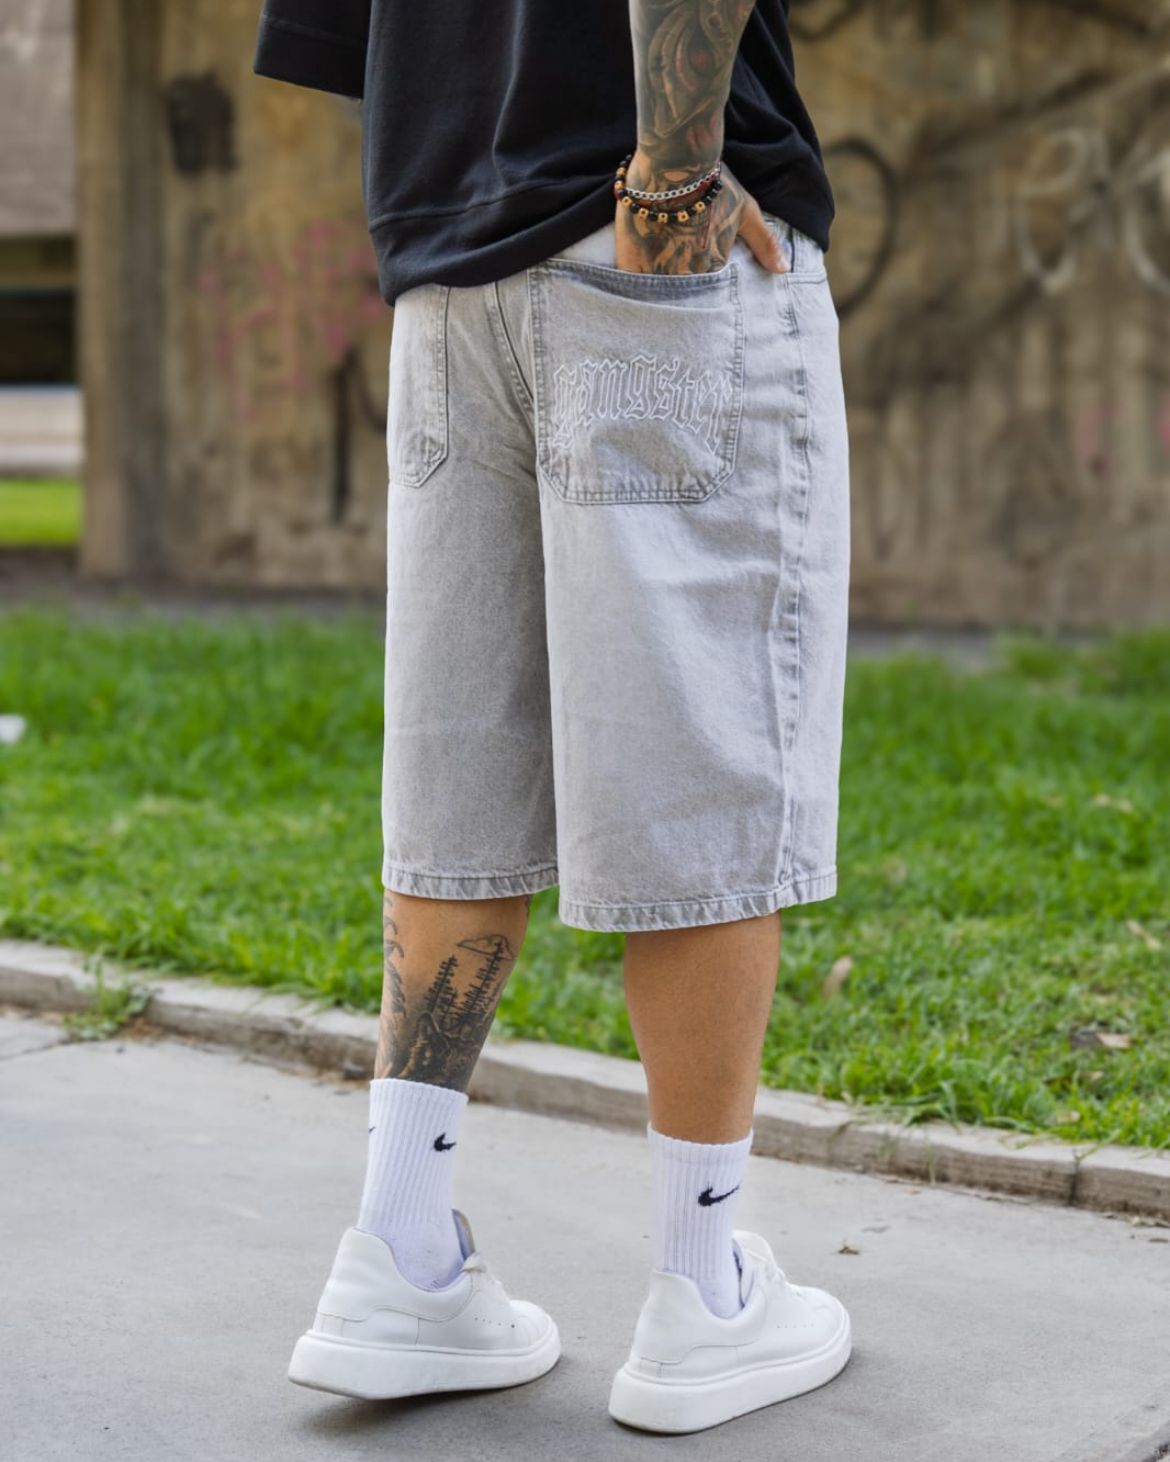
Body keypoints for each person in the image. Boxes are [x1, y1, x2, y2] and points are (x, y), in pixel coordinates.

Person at [253, 0, 852, 1434]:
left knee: (459, 770)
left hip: (448, 252)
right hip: (639, 230)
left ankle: (399, 1256)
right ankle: (704, 1290)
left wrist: (469, 182)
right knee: (701, 761)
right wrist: (673, 175)